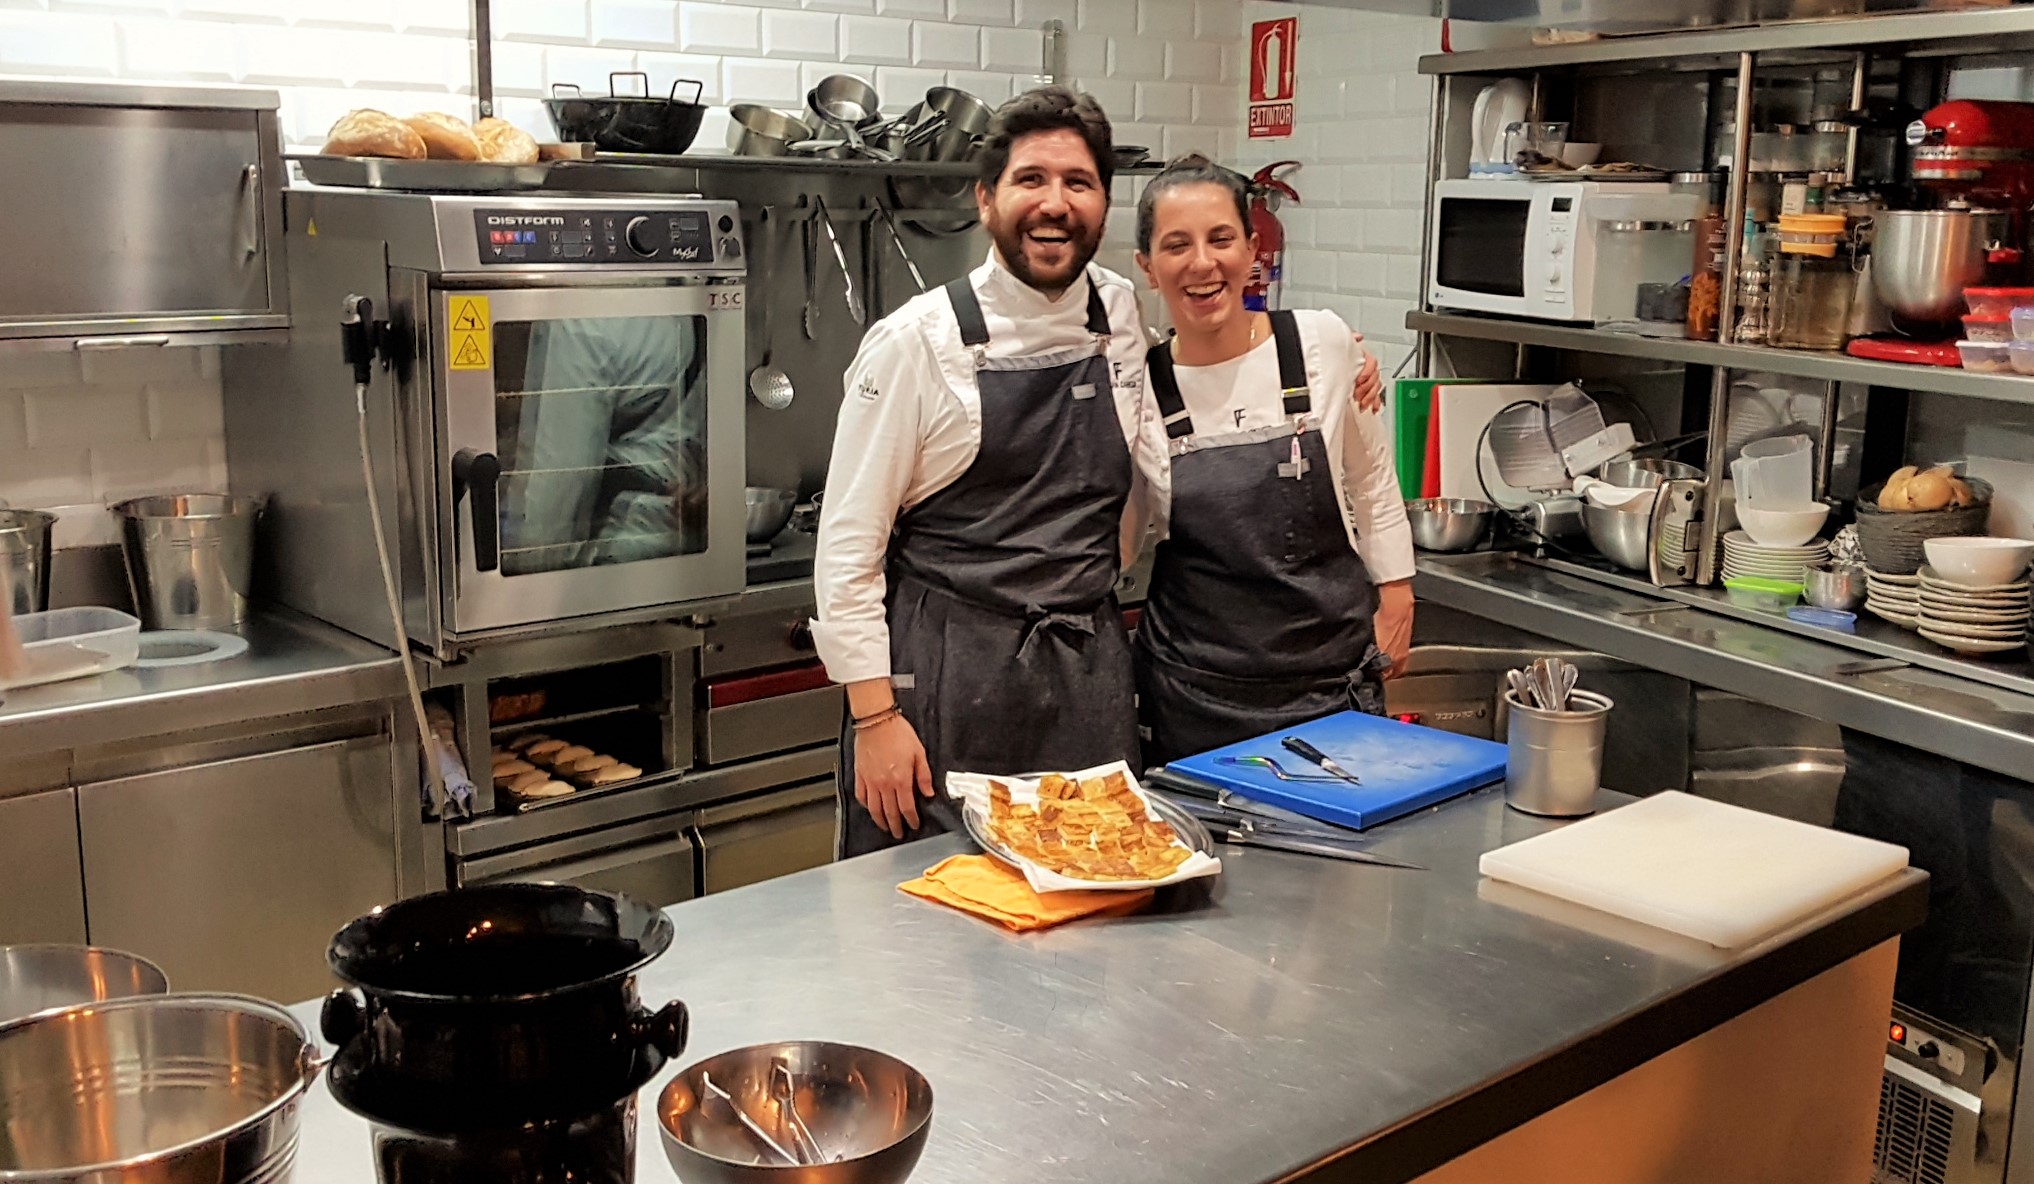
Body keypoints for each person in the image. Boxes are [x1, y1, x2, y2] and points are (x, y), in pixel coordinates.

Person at [812, 87, 1167, 857]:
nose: (1055, 204)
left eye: (1079, 182)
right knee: (927, 926)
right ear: (987, 199)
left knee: (1093, 909)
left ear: (1103, 202)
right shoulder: (916, 341)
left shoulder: (1121, 313)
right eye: (1031, 179)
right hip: (946, 678)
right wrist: (875, 720)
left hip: (1085, 673)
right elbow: (847, 548)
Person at [1130, 155, 1415, 768]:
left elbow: (1371, 481)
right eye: (1177, 245)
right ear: (1147, 268)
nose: (1202, 263)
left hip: (1327, 684)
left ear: (1253, 249)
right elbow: (1123, 539)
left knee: (1340, 859)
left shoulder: (1321, 343)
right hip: (1192, 692)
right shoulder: (1137, 389)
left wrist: (1397, 591)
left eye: (1221, 239)